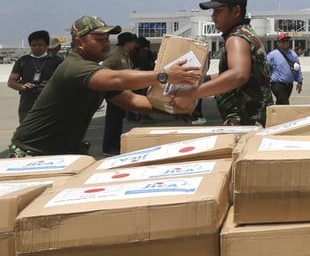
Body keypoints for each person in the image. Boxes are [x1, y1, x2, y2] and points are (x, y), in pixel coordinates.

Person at [9, 16, 200, 157]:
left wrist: (170, 110)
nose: (106, 43)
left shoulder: (92, 70)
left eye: (107, 38)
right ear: (79, 43)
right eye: (98, 39)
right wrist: (164, 75)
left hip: (64, 153)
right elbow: (117, 79)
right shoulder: (74, 67)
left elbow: (132, 100)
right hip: (32, 152)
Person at [169, 0, 273, 126]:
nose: (213, 16)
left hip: (245, 122)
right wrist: (201, 80)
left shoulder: (236, 38)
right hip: (252, 120)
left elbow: (238, 75)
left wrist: (192, 94)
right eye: (213, 11)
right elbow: (232, 74)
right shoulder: (245, 34)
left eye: (219, 11)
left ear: (236, 11)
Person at [8, 30, 63, 123]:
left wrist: (51, 86)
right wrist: (22, 86)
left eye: (40, 45)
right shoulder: (23, 61)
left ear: (46, 45)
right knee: (26, 134)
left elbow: (66, 81)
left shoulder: (57, 61)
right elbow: (11, 81)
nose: (36, 48)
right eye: (33, 45)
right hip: (27, 106)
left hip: (50, 105)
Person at [100, 31, 138, 155]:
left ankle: (116, 145)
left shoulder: (125, 55)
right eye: (132, 42)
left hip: (123, 92)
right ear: (127, 43)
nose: (134, 44)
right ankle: (109, 147)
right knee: (112, 120)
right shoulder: (116, 55)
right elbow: (104, 68)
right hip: (114, 92)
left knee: (118, 121)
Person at [267, 32, 303, 105]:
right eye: (283, 41)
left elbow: (297, 69)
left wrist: (299, 81)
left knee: (281, 103)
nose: (286, 42)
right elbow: (266, 68)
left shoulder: (293, 55)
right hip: (277, 84)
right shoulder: (272, 55)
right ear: (278, 43)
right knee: (285, 102)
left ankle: (276, 115)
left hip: (289, 84)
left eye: (287, 40)